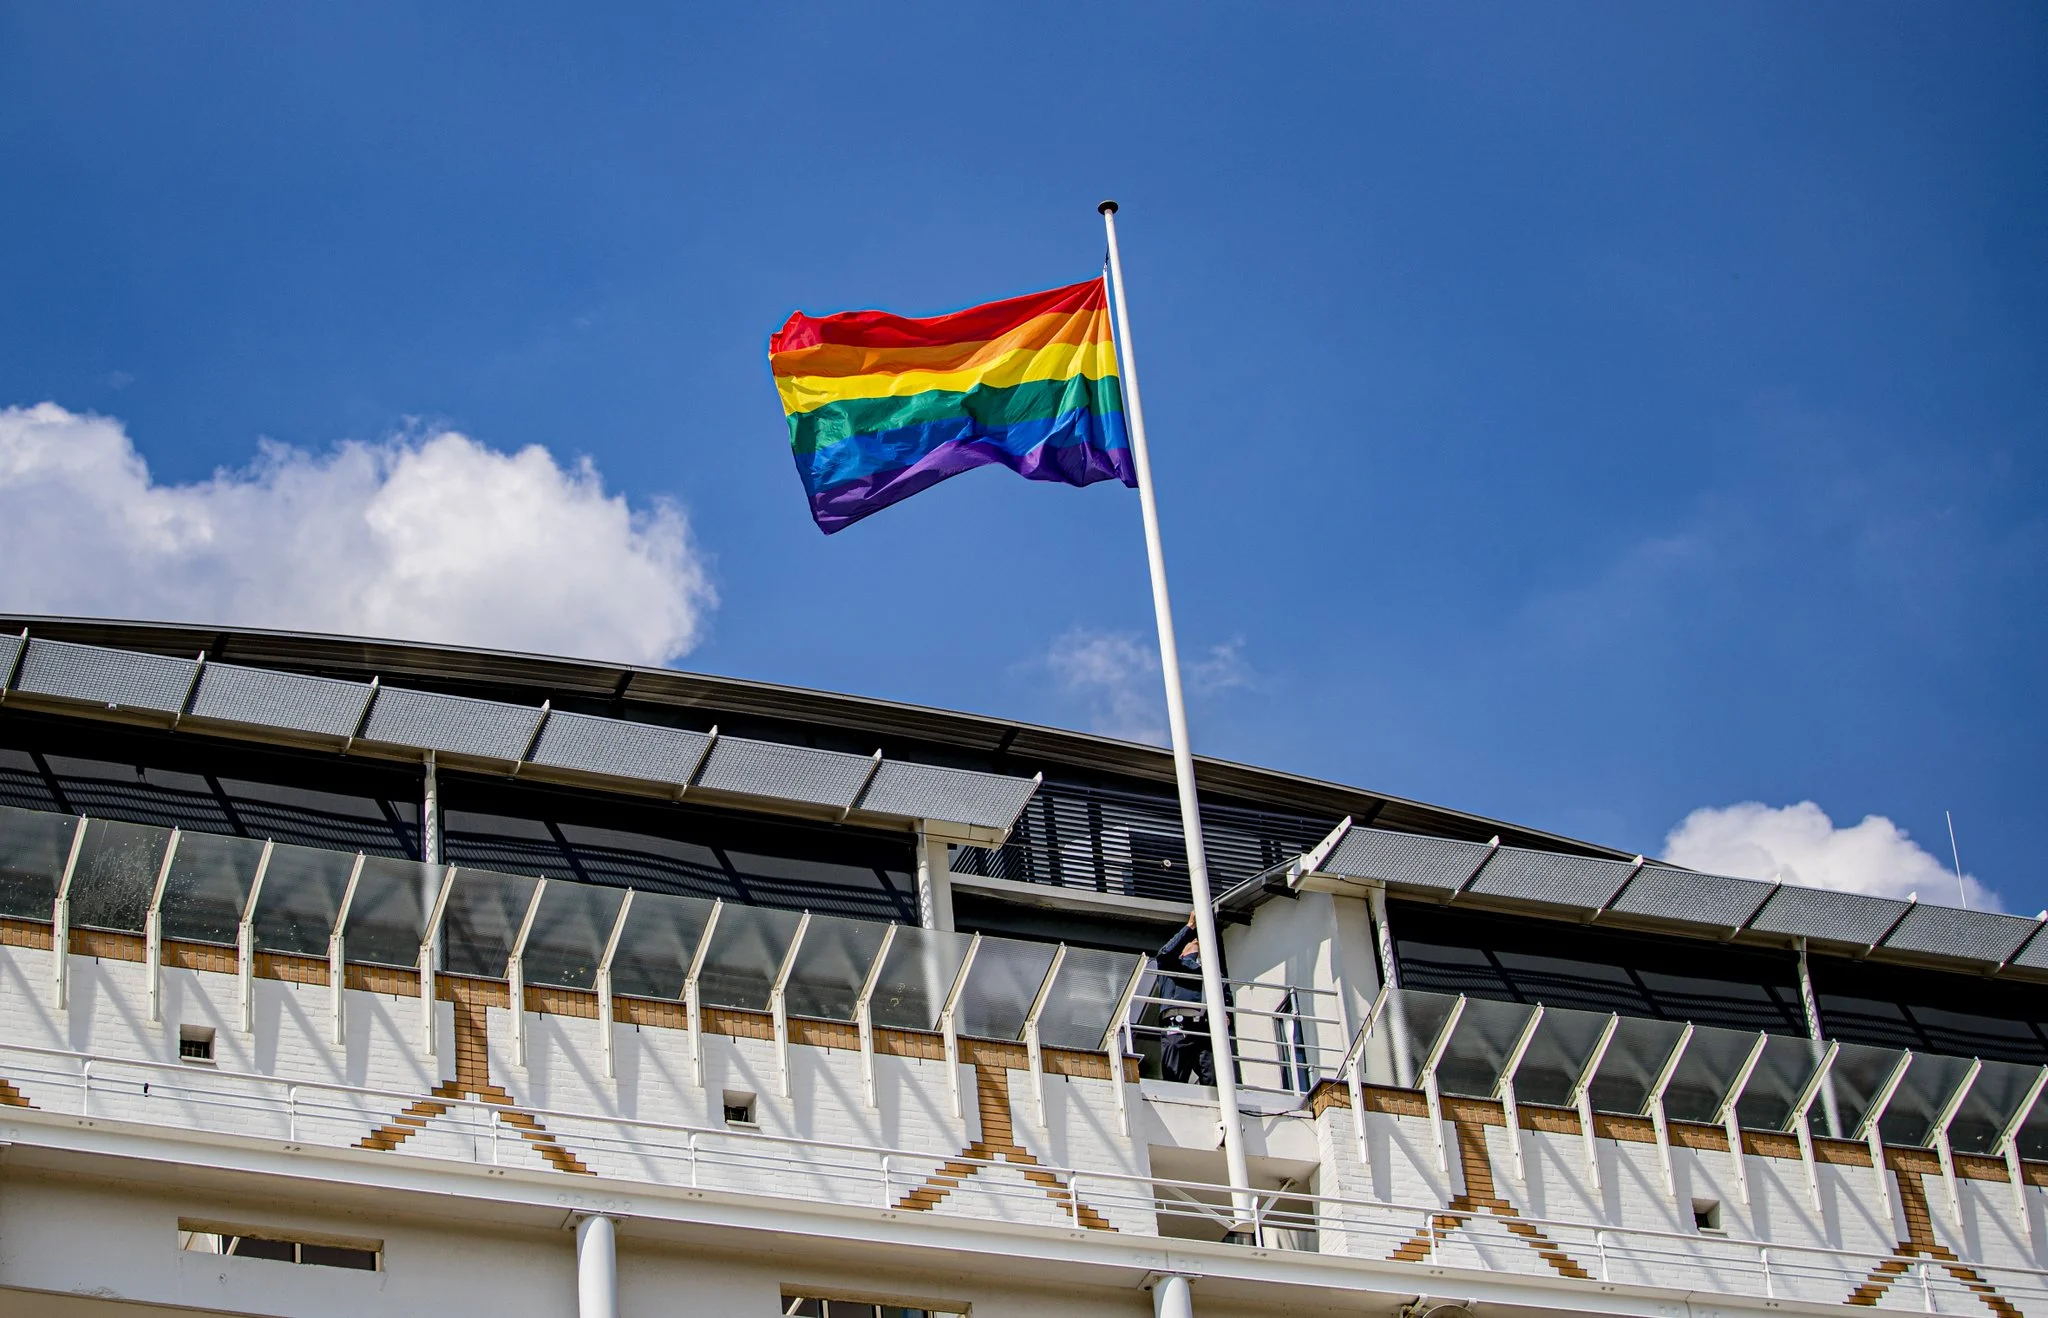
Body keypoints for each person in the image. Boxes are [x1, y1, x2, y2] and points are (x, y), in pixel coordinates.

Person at [1154, 912, 1215, 1086]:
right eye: (1192, 939)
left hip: (1202, 1026)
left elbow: (1224, 994)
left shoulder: (1210, 970)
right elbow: (1165, 953)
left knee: (1213, 1076)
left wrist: (1226, 1015)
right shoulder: (1169, 964)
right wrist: (1190, 927)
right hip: (1176, 1023)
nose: (1196, 940)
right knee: (1174, 1077)